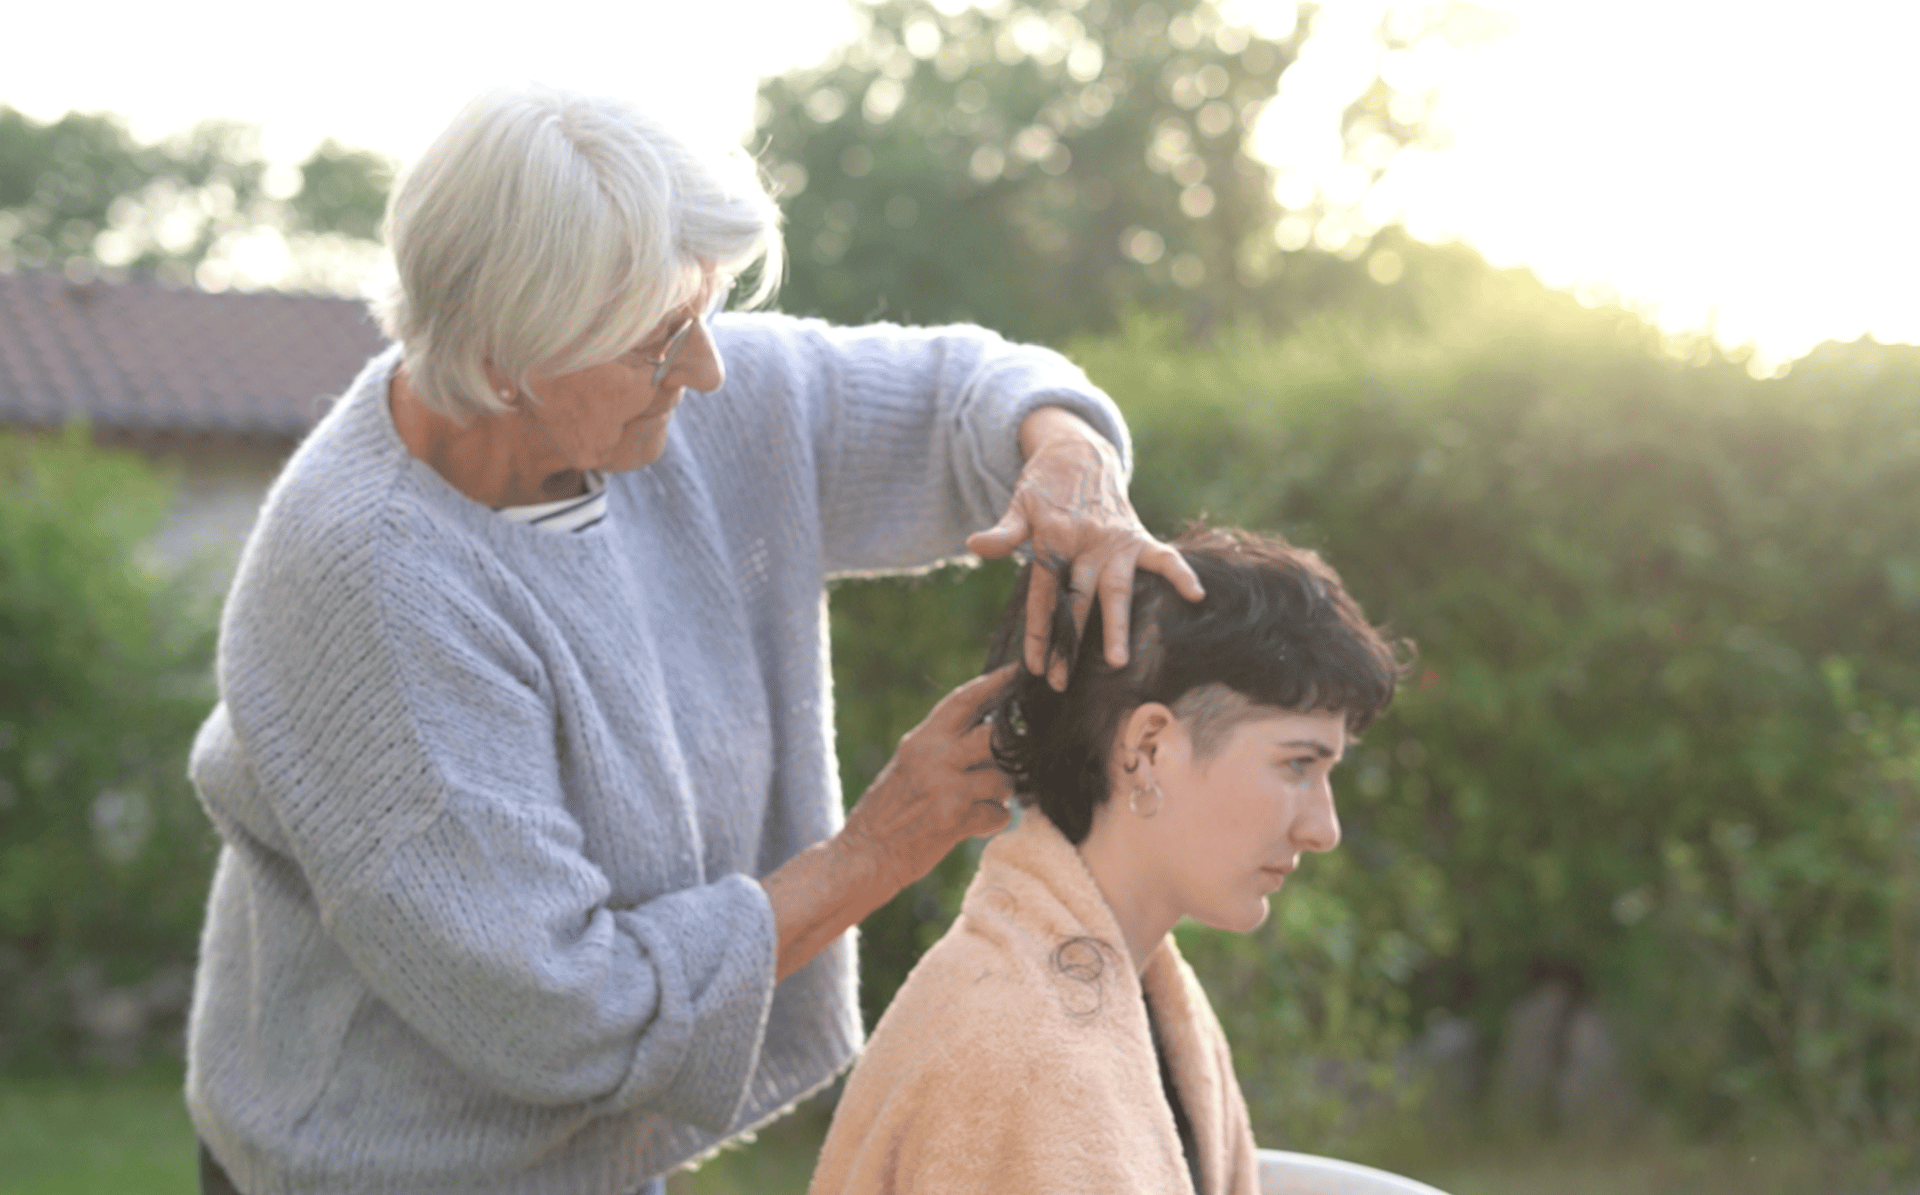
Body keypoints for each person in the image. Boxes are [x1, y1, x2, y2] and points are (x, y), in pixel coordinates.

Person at [183, 85, 1205, 1195]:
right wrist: (877, 850)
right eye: (662, 340)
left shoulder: (648, 396)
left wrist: (1064, 452)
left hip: (595, 1159)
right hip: (387, 1167)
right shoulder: (373, 586)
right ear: (502, 357)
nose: (708, 369)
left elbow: (963, 391)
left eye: (703, 315)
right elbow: (569, 1016)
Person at [809, 526, 1407, 1195]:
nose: (1324, 828)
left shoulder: (1144, 1002)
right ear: (1148, 747)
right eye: (1298, 763)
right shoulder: (1016, 1050)